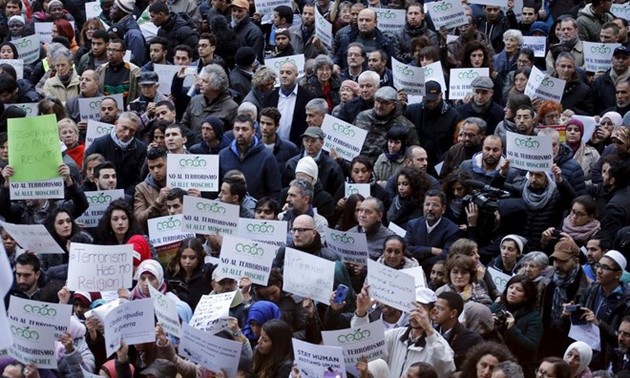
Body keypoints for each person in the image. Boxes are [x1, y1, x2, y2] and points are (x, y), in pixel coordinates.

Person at [352, 286, 456, 377]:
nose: (414, 314)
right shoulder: (395, 334)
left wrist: (428, 329)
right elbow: (365, 345)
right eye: (412, 308)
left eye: (419, 310)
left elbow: (446, 369)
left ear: (433, 312)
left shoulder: (437, 343)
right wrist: (361, 313)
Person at [541, 239, 591, 358]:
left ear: (576, 260)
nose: (557, 265)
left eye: (563, 261)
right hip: (546, 336)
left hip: (568, 341)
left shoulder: (586, 286)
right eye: (555, 260)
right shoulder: (548, 277)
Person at [218, 114, 281, 200]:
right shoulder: (223, 154)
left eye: (245, 129)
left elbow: (274, 190)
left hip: (256, 209)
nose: (240, 133)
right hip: (227, 208)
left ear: (253, 131)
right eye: (237, 129)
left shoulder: (267, 157)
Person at [491, 275, 543, 376]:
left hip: (518, 365)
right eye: (511, 287)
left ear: (526, 297)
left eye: (519, 290)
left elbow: (532, 346)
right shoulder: (497, 306)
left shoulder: (533, 317)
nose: (512, 291)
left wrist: (512, 329)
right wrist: (489, 324)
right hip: (494, 359)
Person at [405, 81, 464, 169]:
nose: (431, 103)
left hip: (441, 163)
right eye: (428, 100)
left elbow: (456, 144)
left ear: (441, 95)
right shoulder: (411, 111)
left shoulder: (454, 116)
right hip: (416, 162)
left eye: (435, 100)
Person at [84, 112, 147, 194]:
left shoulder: (141, 148)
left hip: (128, 196)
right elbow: (88, 170)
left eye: (132, 131)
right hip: (100, 193)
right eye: (124, 128)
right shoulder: (99, 143)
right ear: (116, 123)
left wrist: (126, 196)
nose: (127, 133)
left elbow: (139, 178)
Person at [354, 86, 419, 162]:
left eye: (385, 103)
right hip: (360, 167)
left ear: (394, 105)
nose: (379, 106)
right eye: (377, 101)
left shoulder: (406, 126)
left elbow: (414, 153)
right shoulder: (362, 117)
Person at [405, 189, 461, 271]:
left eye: (435, 205)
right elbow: (406, 248)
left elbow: (448, 255)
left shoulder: (453, 230)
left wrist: (419, 255)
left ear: (443, 208)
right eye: (427, 204)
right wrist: (432, 250)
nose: (430, 209)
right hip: (412, 269)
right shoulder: (413, 224)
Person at [263, 62, 315, 146]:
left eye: (288, 73)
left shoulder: (307, 97)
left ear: (296, 75)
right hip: (272, 144)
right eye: (281, 72)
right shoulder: (270, 96)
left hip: (297, 145)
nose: (284, 75)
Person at [181, 63, 238, 136]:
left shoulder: (232, 107)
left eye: (205, 81)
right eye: (201, 79)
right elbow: (184, 124)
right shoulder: (195, 100)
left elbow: (233, 134)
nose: (200, 83)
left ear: (216, 86)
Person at [93, 199, 153, 268]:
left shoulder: (141, 240)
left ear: (129, 220)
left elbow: (154, 263)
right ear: (109, 222)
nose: (120, 222)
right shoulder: (102, 241)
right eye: (115, 219)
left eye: (124, 218)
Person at [433, 291, 484, 369]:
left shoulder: (472, 340)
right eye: (435, 307)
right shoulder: (431, 333)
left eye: (440, 308)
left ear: (453, 313)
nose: (435, 312)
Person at [107, 0, 145, 67]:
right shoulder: (115, 24)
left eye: (114, 8)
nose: (110, 9)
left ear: (122, 12)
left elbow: (136, 62)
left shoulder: (134, 35)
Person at [564, 118, 600, 184]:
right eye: (569, 129)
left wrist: (583, 185)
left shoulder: (592, 153)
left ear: (581, 133)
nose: (572, 132)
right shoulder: (557, 152)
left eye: (576, 130)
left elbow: (599, 177)